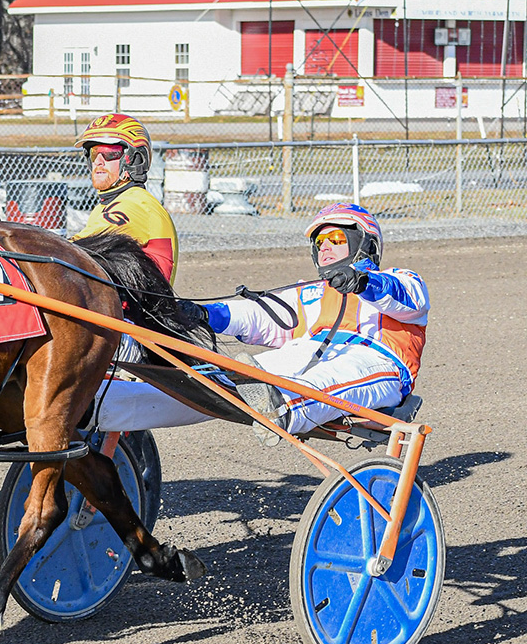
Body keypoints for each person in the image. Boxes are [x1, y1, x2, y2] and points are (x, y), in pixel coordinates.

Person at [91, 202, 429, 444]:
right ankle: (99, 406)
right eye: (321, 243)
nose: (325, 249)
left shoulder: (399, 279)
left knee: (328, 377)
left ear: (364, 244)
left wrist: (364, 281)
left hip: (376, 363)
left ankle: (282, 405)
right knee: (204, 385)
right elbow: (262, 316)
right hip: (306, 353)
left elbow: (406, 299)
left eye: (337, 240)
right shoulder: (313, 293)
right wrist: (205, 314)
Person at [71, 113, 179, 285]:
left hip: (137, 310)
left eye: (109, 153)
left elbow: (75, 249)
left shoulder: (135, 204)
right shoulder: (107, 205)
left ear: (135, 159)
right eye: (94, 153)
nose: (98, 161)